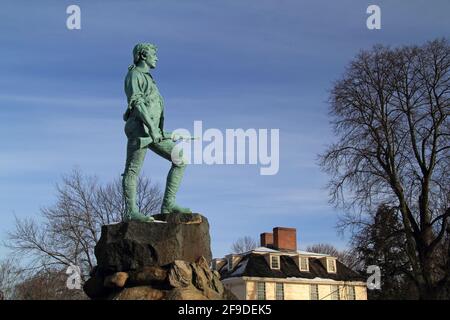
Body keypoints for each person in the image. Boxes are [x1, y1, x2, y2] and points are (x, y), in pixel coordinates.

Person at [122, 43, 191, 222]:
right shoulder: (134, 75)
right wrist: (152, 128)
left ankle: (168, 204)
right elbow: (136, 102)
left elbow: (153, 109)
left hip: (153, 131)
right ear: (143, 56)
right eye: (154, 54)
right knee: (132, 170)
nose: (157, 58)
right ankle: (131, 212)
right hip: (140, 130)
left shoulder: (149, 79)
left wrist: (162, 131)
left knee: (181, 158)